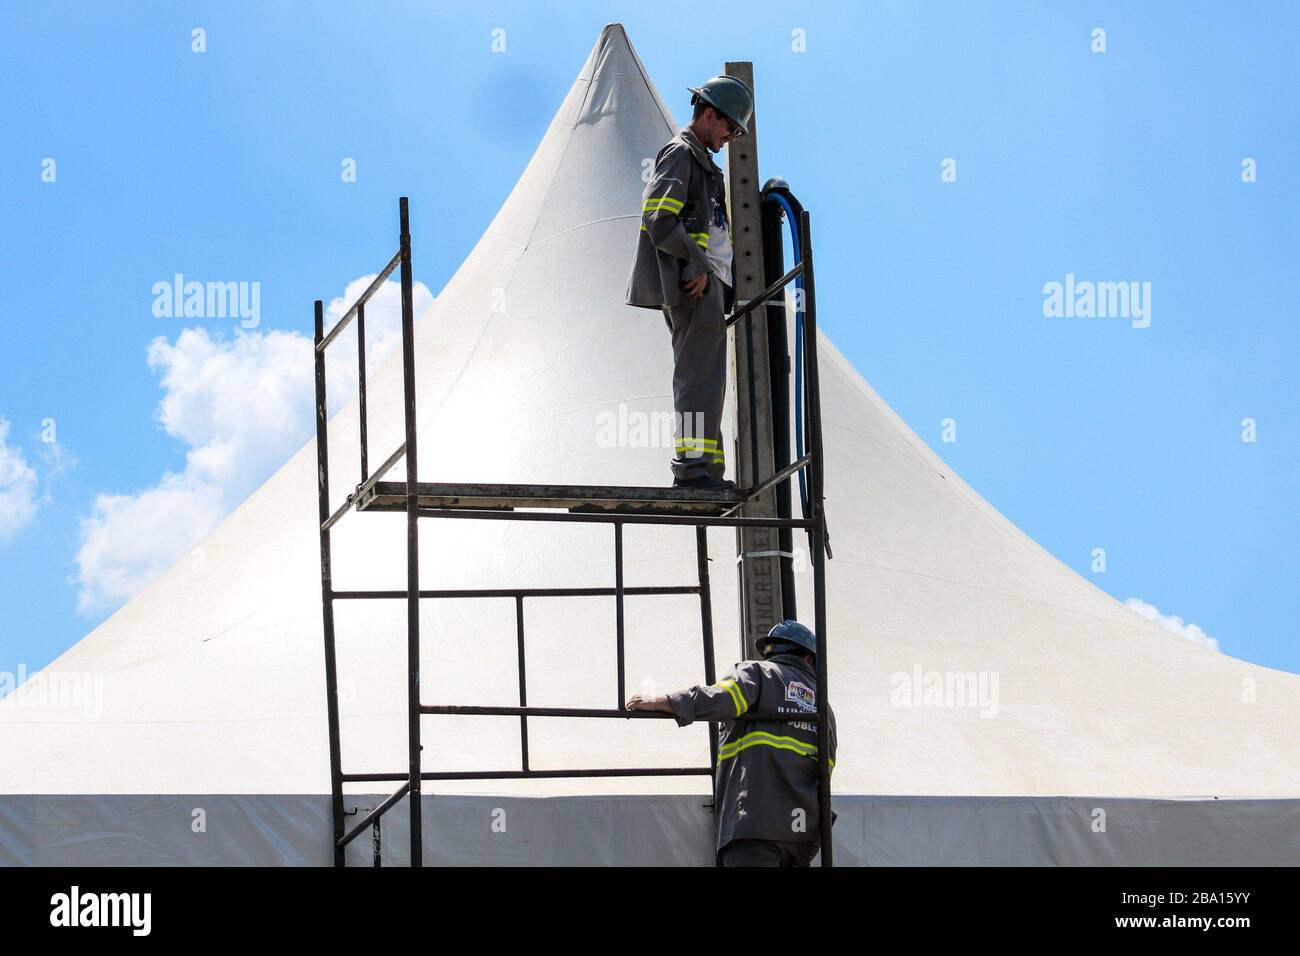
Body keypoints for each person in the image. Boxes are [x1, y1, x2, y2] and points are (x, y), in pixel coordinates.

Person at [625, 75, 755, 490]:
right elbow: (658, 217)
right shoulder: (681, 153)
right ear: (708, 113)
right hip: (693, 285)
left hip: (707, 286)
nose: (731, 136)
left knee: (708, 379)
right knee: (698, 378)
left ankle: (706, 469)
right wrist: (697, 263)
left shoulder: (702, 162)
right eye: (729, 127)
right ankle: (693, 470)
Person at [626, 619, 836, 866]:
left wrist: (670, 702)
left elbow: (724, 698)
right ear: (809, 658)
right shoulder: (823, 706)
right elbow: (826, 768)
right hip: (803, 833)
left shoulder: (759, 674)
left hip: (755, 826)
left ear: (770, 652)